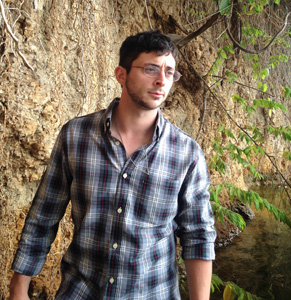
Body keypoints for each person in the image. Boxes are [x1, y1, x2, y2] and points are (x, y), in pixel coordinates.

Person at [10, 30, 216, 300]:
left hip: (152, 292)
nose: (161, 80)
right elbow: (44, 215)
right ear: (121, 75)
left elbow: (198, 236)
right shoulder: (76, 135)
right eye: (151, 69)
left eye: (169, 72)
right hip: (80, 291)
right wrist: (18, 288)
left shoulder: (186, 153)